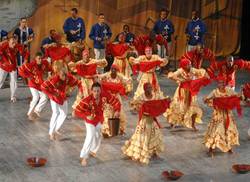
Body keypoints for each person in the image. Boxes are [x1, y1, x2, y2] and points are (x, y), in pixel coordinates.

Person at [122, 83, 170, 164]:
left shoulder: (155, 96)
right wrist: (140, 107)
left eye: (150, 87)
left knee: (155, 135)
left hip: (152, 120)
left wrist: (167, 100)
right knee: (143, 137)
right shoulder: (141, 97)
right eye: (148, 88)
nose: (150, 89)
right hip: (144, 120)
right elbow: (134, 104)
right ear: (144, 89)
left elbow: (162, 101)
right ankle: (143, 153)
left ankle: (154, 153)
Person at [74, 82, 121, 166]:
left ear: (100, 91)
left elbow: (115, 101)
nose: (96, 93)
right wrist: (86, 116)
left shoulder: (104, 96)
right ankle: (83, 157)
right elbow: (76, 111)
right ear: (91, 91)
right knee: (90, 137)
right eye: (94, 91)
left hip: (99, 120)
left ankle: (93, 151)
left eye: (98, 91)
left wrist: (117, 110)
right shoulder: (87, 100)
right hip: (90, 122)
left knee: (98, 136)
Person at [164, 58, 209, 131]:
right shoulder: (180, 71)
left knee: (193, 108)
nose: (190, 65)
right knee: (177, 107)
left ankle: (193, 124)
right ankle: (172, 123)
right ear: (184, 66)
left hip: (191, 92)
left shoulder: (193, 70)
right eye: (188, 64)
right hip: (181, 92)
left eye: (190, 64)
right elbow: (171, 76)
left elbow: (201, 72)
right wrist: (179, 80)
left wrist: (205, 75)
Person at [41, 62, 82, 140]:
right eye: (63, 75)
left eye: (65, 74)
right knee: (56, 113)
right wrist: (51, 94)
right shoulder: (54, 79)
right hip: (54, 98)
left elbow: (77, 82)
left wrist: (80, 88)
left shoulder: (68, 77)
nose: (65, 77)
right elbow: (43, 87)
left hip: (62, 97)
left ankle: (56, 129)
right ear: (59, 74)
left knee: (64, 113)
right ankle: (51, 132)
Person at [203, 79, 241, 157]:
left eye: (224, 83)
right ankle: (211, 148)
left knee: (229, 129)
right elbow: (207, 99)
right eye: (221, 83)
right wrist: (207, 100)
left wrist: (242, 92)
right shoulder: (215, 92)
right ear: (218, 84)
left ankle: (229, 147)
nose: (223, 84)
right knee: (217, 130)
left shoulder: (229, 90)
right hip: (219, 115)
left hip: (227, 114)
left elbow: (236, 96)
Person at [69, 49, 107, 114]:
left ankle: (96, 108)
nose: (86, 57)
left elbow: (104, 63)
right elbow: (71, 67)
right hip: (84, 81)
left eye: (87, 55)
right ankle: (77, 109)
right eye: (84, 55)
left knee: (94, 95)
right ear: (82, 56)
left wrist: (97, 63)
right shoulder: (80, 62)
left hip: (93, 81)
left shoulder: (93, 61)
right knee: (81, 95)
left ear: (89, 56)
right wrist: (75, 65)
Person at [99, 64, 132, 136]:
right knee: (107, 114)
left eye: (115, 69)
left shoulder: (120, 76)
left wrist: (128, 80)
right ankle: (106, 130)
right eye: (112, 69)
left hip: (117, 97)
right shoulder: (106, 75)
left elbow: (126, 79)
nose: (113, 70)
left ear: (117, 71)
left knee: (121, 113)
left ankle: (121, 129)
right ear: (110, 69)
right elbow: (99, 77)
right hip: (108, 97)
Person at [18, 52, 52, 120]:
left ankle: (36, 111)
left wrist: (51, 73)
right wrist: (28, 76)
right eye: (39, 58)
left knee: (45, 97)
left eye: (41, 58)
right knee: (36, 97)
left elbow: (50, 69)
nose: (40, 60)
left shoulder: (44, 63)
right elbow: (20, 70)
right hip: (33, 84)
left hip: (40, 84)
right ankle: (30, 112)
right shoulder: (31, 65)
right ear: (35, 59)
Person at [0, 36, 29, 102]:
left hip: (13, 66)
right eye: (12, 43)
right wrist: (6, 61)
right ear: (8, 42)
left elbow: (26, 53)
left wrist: (25, 60)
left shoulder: (18, 46)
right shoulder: (4, 45)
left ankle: (13, 97)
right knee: (0, 81)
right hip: (3, 66)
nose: (14, 44)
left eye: (15, 43)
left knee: (14, 82)